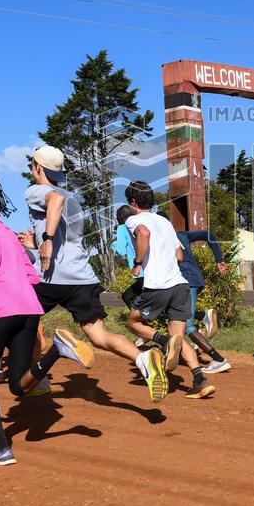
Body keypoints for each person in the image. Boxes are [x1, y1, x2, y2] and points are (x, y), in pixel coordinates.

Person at [0, 168, 92, 466]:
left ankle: (1, 447)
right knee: (17, 385)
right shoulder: (3, 230)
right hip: (28, 307)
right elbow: (31, 274)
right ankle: (56, 351)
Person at [19, 146, 166, 403]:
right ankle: (142, 360)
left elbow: (54, 201)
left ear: (38, 168)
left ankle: (39, 377)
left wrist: (47, 239)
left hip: (51, 277)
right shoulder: (73, 199)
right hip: (82, 277)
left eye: (32, 166)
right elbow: (67, 232)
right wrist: (37, 242)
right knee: (98, 335)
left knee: (24, 322)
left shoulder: (36, 191)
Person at [123, 181, 215, 399]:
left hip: (158, 286)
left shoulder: (134, 219)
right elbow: (179, 255)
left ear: (134, 202)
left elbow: (143, 234)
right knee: (179, 335)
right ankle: (199, 380)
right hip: (180, 285)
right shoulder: (165, 222)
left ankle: (164, 342)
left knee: (133, 322)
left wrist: (138, 262)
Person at [155, 211, 232, 374]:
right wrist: (219, 259)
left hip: (187, 282)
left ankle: (219, 359)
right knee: (170, 312)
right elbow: (208, 234)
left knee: (187, 324)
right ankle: (202, 316)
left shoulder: (161, 240)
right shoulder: (180, 235)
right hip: (193, 280)